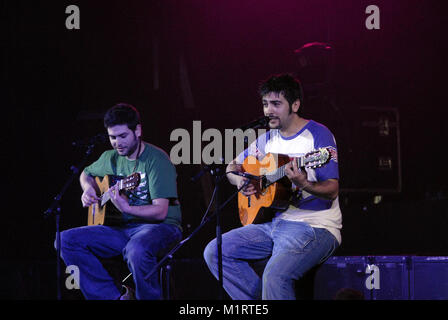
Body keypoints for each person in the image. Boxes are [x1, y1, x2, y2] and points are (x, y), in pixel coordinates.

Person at [203, 74, 342, 300]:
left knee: (275, 277)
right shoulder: (267, 140)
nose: (268, 110)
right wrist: (240, 180)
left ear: (295, 105)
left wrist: (304, 183)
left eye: (276, 104)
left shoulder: (317, 135)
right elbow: (232, 166)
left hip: (314, 226)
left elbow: (332, 190)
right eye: (266, 104)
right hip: (274, 224)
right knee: (215, 252)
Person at [58, 103, 182, 300]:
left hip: (160, 228)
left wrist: (127, 208)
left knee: (137, 250)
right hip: (123, 229)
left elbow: (160, 212)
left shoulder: (157, 160)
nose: (117, 143)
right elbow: (86, 173)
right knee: (65, 240)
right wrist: (88, 188)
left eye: (123, 136)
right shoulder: (110, 157)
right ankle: (114, 297)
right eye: (112, 137)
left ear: (138, 130)